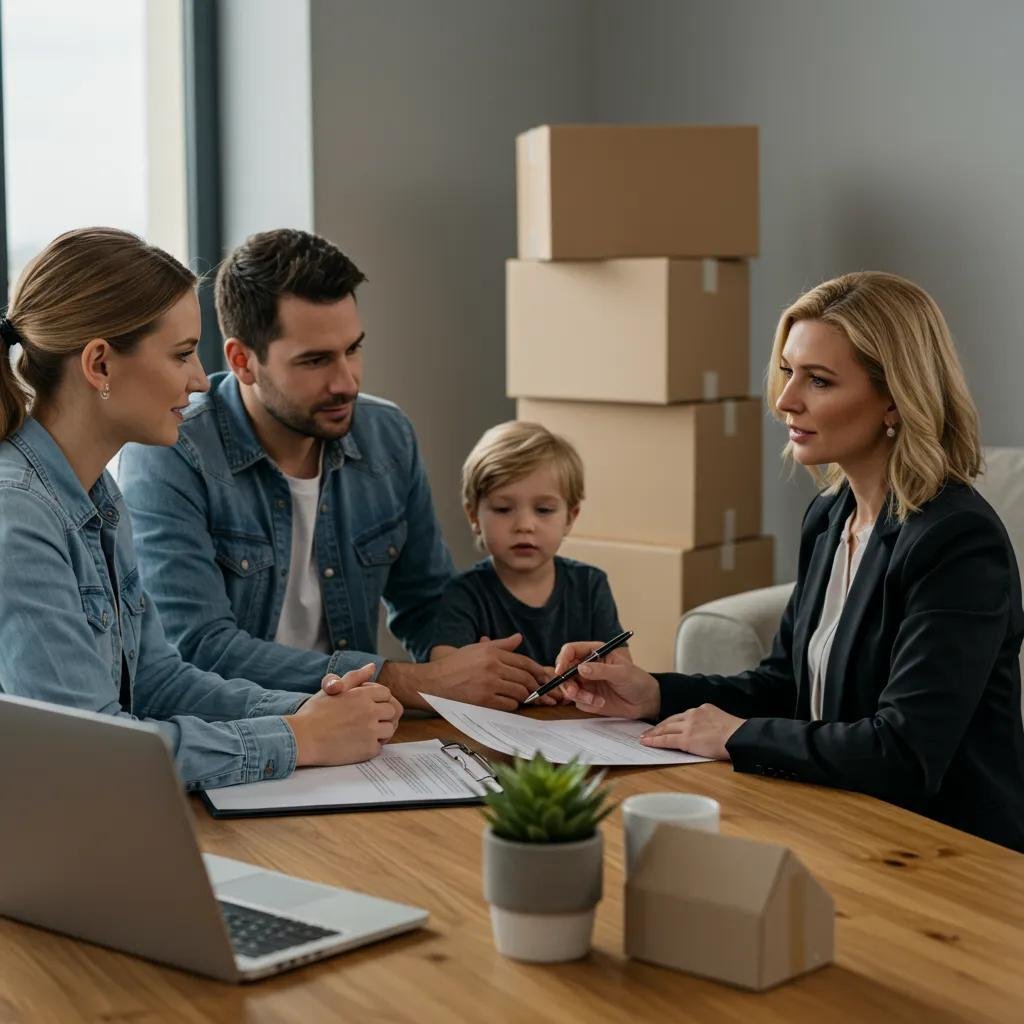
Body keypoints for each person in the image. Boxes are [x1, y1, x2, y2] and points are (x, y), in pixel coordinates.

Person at [553, 271, 1024, 852]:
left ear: (895, 399)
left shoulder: (957, 541)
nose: (784, 401)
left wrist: (738, 735)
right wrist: (652, 693)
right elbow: (783, 686)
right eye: (787, 371)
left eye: (818, 380)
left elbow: (904, 753)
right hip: (840, 816)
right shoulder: (831, 516)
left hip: (946, 848)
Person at [0, 227, 401, 790]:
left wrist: (314, 709)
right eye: (182, 354)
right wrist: (299, 737)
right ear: (100, 365)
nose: (198, 379)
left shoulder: (97, 495)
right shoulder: (18, 514)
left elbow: (156, 680)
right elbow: (90, 755)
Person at [118, 229, 547, 710]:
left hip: (361, 730)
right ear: (243, 361)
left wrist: (464, 669)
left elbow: (428, 601)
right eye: (316, 360)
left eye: (353, 349)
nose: (347, 382)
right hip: (238, 733)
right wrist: (412, 682)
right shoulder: (172, 451)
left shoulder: (386, 435)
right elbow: (199, 648)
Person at [430, 421, 627, 695]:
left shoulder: (591, 584)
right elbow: (442, 672)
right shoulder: (463, 593)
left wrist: (582, 679)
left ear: (570, 518)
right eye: (503, 509)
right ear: (474, 516)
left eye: (544, 510)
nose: (524, 525)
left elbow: (622, 671)